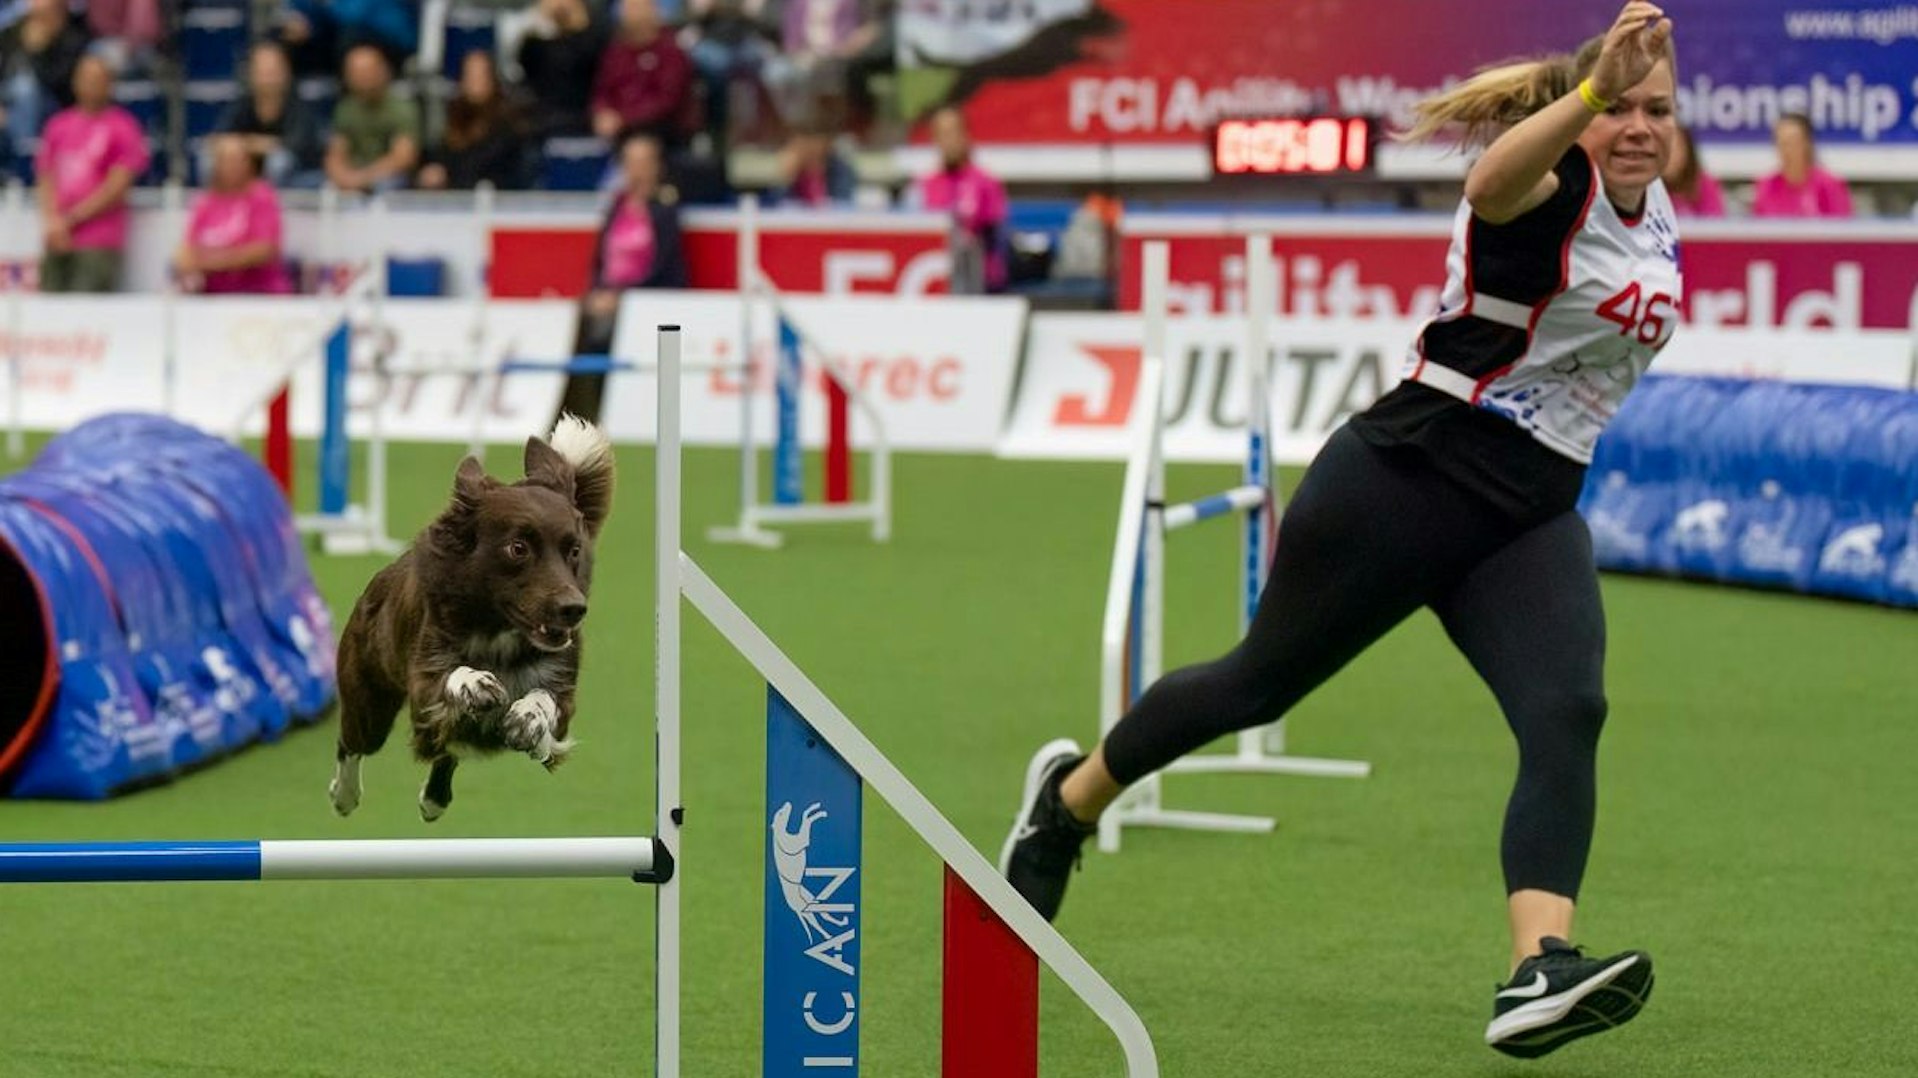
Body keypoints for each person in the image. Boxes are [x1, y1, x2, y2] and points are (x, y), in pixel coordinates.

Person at [1000, 1, 1679, 1061]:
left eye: (1657, 110)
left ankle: (1537, 969)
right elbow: (1487, 184)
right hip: (1408, 475)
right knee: (1256, 684)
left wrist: (1610, 93)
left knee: (1568, 707)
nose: (1639, 126)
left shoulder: (1655, 206)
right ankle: (1066, 803)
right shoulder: (1551, 189)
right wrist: (1590, 94)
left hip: (1528, 509)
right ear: (1575, 112)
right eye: (1619, 107)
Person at [560, 132, 687, 424]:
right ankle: (576, 414)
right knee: (574, 322)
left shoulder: (665, 209)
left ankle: (606, 412)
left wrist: (621, 296)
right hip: (608, 295)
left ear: (656, 166)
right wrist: (596, 292)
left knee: (604, 329)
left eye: (642, 162)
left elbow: (664, 265)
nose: (636, 169)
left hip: (647, 298)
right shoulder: (616, 206)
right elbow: (600, 260)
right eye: (630, 162)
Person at [35, 54, 149, 293]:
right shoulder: (58, 125)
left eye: (98, 79)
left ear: (110, 84)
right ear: (75, 82)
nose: (91, 84)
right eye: (85, 78)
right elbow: (46, 176)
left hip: (98, 239)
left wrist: (70, 219)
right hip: (57, 235)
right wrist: (53, 220)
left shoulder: (123, 127)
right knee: (46, 314)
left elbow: (117, 186)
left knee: (86, 315)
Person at [174, 134, 293, 295]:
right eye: (227, 160)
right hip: (214, 295)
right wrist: (187, 260)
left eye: (239, 160)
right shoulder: (205, 201)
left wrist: (210, 262)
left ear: (249, 164)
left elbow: (264, 250)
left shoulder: (261, 195)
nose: (233, 166)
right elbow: (187, 250)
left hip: (258, 294)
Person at [915, 106, 1007, 293]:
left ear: (966, 135)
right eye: (942, 134)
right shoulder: (924, 184)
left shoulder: (986, 183)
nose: (948, 141)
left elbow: (996, 237)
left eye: (953, 132)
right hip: (935, 283)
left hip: (980, 286)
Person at [211, 41, 327, 187]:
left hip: (297, 180)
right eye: (262, 71)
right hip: (248, 176)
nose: (267, 78)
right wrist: (248, 146)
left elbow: (292, 147)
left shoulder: (299, 108)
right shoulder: (242, 105)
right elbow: (220, 138)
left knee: (279, 161)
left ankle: (269, 205)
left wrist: (249, 144)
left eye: (273, 71)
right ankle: (218, 204)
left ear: (286, 73)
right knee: (211, 158)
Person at [419, 50, 534, 190]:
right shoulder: (454, 122)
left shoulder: (509, 128)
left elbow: (500, 176)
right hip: (453, 202)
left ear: (493, 79)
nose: (474, 83)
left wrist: (450, 176)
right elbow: (438, 160)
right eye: (469, 76)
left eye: (481, 76)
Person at [591, 0, 696, 151]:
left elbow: (667, 101)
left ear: (653, 12)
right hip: (618, 130)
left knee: (639, 150)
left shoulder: (671, 51)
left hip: (661, 131)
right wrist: (602, 112)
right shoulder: (616, 52)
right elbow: (602, 90)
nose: (632, 14)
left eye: (638, 8)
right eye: (628, 8)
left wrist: (624, 119)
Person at [324, 44, 421, 193]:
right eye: (356, 72)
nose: (362, 77)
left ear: (384, 72)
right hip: (353, 175)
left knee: (386, 186)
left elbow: (403, 157)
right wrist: (341, 176)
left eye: (367, 71)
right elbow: (336, 152)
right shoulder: (345, 108)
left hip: (388, 177)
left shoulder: (402, 108)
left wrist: (362, 178)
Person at [1, 0, 89, 160]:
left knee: (25, 89)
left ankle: (23, 155)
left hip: (53, 104)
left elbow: (58, 82)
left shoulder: (73, 36)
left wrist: (39, 52)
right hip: (9, 103)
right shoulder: (13, 32)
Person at [514, 0, 609, 139]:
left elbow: (591, 60)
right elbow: (524, 64)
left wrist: (579, 24)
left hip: (583, 110)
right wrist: (542, 23)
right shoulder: (538, 42)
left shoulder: (594, 34)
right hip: (544, 113)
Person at [1752, 112, 1853, 218]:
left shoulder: (1830, 184)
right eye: (1781, 142)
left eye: (1792, 142)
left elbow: (1843, 230)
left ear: (1807, 143)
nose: (1786, 150)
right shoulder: (1767, 185)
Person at [767, 125, 855, 207]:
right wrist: (787, 176)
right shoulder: (795, 169)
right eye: (802, 144)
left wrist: (815, 172)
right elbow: (774, 205)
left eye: (816, 141)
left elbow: (842, 205)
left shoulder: (840, 170)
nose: (812, 148)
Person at [1662, 124, 1723, 217]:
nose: (1670, 157)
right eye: (1665, 149)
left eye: (1676, 148)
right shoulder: (1645, 188)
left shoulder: (1704, 184)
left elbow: (1715, 225)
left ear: (1688, 151)